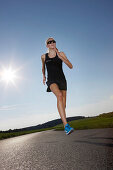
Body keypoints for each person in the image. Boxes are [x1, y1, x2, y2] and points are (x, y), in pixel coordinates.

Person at [41, 37, 74, 135]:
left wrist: (60, 56)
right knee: (59, 95)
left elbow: (70, 66)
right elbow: (43, 68)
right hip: (51, 80)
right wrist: (43, 76)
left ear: (55, 43)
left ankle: (65, 125)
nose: (52, 43)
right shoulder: (43, 56)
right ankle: (66, 126)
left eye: (53, 41)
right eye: (49, 42)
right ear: (47, 45)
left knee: (63, 105)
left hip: (62, 80)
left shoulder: (61, 53)